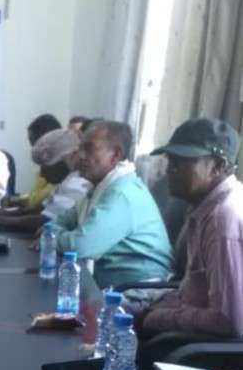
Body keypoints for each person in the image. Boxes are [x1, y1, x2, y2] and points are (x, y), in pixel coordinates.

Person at [142, 118, 243, 338]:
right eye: (170, 161)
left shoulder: (223, 219)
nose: (169, 170)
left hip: (207, 348)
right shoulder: (205, 204)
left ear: (217, 166)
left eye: (181, 162)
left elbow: (229, 320)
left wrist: (162, 317)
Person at [52, 120, 172, 288]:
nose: (81, 156)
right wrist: (54, 232)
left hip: (138, 290)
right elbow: (62, 220)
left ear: (115, 155)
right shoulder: (98, 188)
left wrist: (50, 237)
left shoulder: (122, 194)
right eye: (80, 149)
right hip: (112, 286)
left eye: (89, 149)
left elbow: (80, 245)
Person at [0, 128, 91, 233]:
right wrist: (2, 213)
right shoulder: (68, 179)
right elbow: (43, 207)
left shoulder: (78, 183)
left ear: (62, 163)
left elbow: (45, 221)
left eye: (45, 168)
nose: (43, 175)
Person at [1, 113, 62, 210]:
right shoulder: (44, 167)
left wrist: (2, 216)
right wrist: (16, 200)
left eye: (34, 143)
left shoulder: (62, 171)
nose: (33, 149)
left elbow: (42, 209)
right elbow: (34, 197)